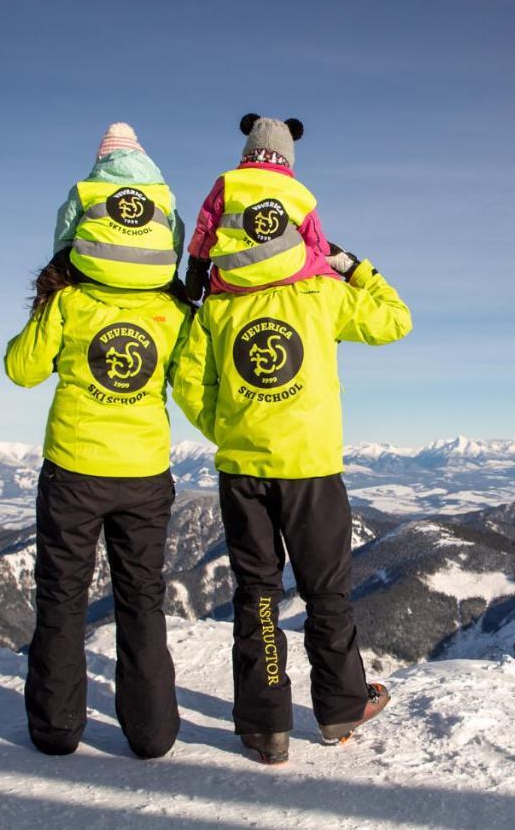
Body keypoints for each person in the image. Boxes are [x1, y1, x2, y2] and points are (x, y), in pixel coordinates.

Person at [173, 117, 412, 763]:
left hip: (242, 468)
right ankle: (339, 708)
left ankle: (265, 724)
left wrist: (229, 426)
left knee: (256, 594)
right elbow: (396, 320)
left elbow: (186, 378)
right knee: (326, 590)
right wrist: (357, 267)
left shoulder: (217, 302)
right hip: (311, 466)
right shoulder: (323, 292)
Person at [4, 122, 190, 759]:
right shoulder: (171, 310)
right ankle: (153, 734)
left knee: (61, 599)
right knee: (143, 601)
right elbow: (194, 389)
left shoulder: (70, 302)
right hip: (144, 473)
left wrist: (49, 296)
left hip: (74, 471)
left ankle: (56, 731)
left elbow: (22, 370)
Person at [180, 113, 335, 303]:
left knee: (218, 282)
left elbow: (206, 229)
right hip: (285, 270)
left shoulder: (228, 182)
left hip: (235, 274)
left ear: (248, 151)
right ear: (288, 156)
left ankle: (214, 305)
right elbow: (315, 239)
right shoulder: (298, 191)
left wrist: (197, 266)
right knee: (326, 273)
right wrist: (326, 261)